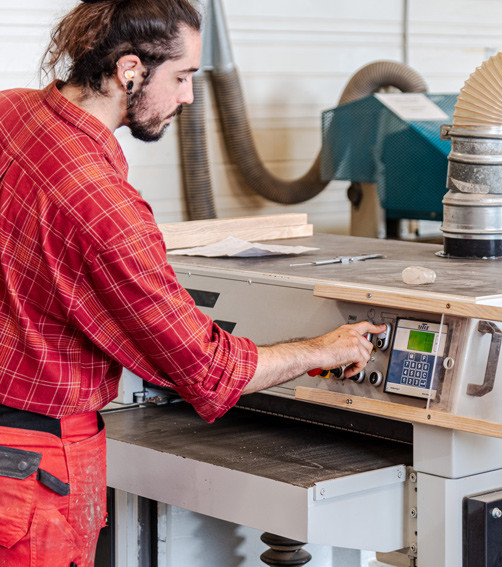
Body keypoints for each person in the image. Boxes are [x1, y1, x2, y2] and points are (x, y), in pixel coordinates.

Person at [0, 1, 384, 565]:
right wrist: (323, 348)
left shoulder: (11, 112)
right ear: (129, 69)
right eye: (181, 77)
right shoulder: (106, 208)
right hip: (33, 469)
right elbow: (207, 369)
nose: (187, 97)